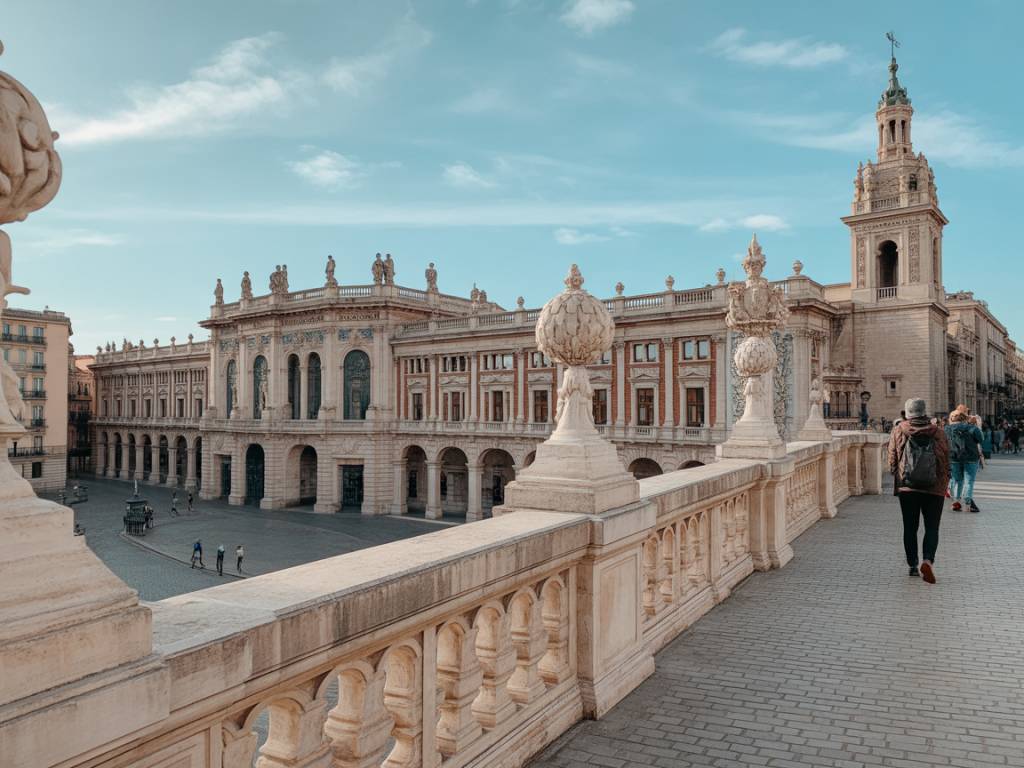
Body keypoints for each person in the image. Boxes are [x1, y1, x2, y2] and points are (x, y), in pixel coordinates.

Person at [887, 398, 950, 584]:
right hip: (935, 487)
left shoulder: (899, 430)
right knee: (932, 527)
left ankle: (913, 565)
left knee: (910, 527)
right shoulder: (938, 432)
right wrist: (945, 479)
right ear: (924, 413)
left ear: (907, 413)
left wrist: (897, 475)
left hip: (908, 486)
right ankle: (928, 560)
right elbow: (946, 457)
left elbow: (892, 458)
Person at [945, 411, 983, 514]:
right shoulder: (972, 428)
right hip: (971, 457)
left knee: (957, 480)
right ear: (964, 418)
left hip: (954, 458)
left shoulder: (946, 429)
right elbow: (981, 439)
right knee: (969, 481)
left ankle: (956, 502)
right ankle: (967, 504)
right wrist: (979, 426)